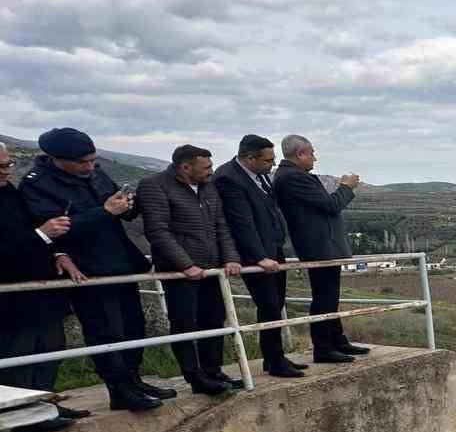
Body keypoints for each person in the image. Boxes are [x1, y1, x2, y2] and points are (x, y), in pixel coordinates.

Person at [21, 128, 169, 412]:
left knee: (132, 326)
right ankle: (119, 389)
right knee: (106, 331)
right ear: (56, 158)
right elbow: (55, 230)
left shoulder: (95, 173)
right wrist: (105, 212)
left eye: (92, 160)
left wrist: (127, 205)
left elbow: (116, 207)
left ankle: (134, 380)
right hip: (87, 269)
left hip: (120, 262)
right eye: (82, 162)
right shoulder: (38, 185)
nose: (89, 166)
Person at [138, 145, 243, 395]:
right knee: (184, 323)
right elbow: (158, 231)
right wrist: (185, 264)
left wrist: (230, 258)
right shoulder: (155, 185)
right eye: (206, 167)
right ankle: (194, 376)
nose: (211, 171)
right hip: (179, 272)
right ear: (186, 167)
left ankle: (213, 370)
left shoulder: (208, 187)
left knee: (214, 319)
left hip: (211, 269)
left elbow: (221, 226)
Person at [0, 142, 91, 431]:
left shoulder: (9, 192)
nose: (7, 170)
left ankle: (43, 404)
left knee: (51, 347)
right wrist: (42, 234)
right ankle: (21, 416)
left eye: (8, 164)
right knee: (20, 356)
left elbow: (29, 229)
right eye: (1, 166)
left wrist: (58, 253)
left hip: (41, 287)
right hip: (12, 297)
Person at [215, 135, 304, 379]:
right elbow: (241, 221)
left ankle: (274, 358)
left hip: (273, 249)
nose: (272, 165)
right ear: (250, 158)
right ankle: (275, 361)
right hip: (256, 256)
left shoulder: (260, 175)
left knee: (276, 305)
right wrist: (258, 257)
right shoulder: (228, 178)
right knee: (269, 305)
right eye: (268, 160)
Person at [272, 134, 367, 364]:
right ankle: (323, 347)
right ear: (300, 154)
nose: (315, 157)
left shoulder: (292, 176)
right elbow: (331, 205)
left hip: (321, 245)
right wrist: (346, 187)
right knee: (324, 297)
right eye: (312, 152)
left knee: (329, 295)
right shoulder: (293, 177)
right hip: (318, 246)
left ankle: (337, 340)